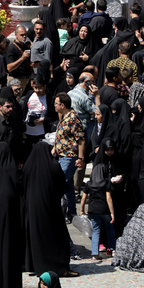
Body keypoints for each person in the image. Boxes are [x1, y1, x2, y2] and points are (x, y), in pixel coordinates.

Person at [22, 143, 76, 277]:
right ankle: (59, 267)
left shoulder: (28, 166)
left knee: (37, 237)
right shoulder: (53, 166)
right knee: (58, 237)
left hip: (32, 209)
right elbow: (62, 187)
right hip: (50, 208)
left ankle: (37, 265)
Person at [53, 92, 85, 222]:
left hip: (69, 156)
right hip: (61, 155)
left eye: (56, 103)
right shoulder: (63, 117)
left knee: (60, 183)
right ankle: (72, 212)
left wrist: (81, 158)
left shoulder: (73, 119)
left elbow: (81, 139)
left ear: (63, 105)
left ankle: (61, 212)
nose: (54, 106)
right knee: (69, 186)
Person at [80, 164, 116, 260]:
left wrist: (82, 210)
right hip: (104, 210)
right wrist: (112, 213)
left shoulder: (89, 183)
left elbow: (84, 198)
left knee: (95, 231)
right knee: (109, 229)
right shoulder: (106, 183)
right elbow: (109, 198)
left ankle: (95, 253)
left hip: (92, 209)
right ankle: (112, 249)